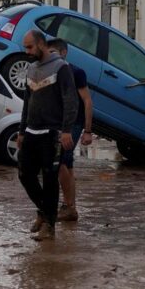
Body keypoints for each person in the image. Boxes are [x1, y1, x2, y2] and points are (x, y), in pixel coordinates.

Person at [17, 30, 78, 241]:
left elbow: (71, 101)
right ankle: (44, 211)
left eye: (30, 47)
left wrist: (67, 130)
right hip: (32, 132)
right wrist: (21, 131)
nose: (27, 52)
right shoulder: (31, 69)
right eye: (25, 47)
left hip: (52, 133)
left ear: (41, 44)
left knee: (50, 178)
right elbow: (27, 102)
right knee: (25, 174)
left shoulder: (62, 68)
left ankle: (49, 227)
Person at [47, 38, 94, 223]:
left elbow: (87, 101)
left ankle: (67, 207)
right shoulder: (51, 72)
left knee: (60, 164)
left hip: (73, 124)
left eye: (53, 53)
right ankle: (71, 208)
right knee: (68, 165)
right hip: (58, 124)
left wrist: (88, 130)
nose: (50, 57)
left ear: (64, 53)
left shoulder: (76, 72)